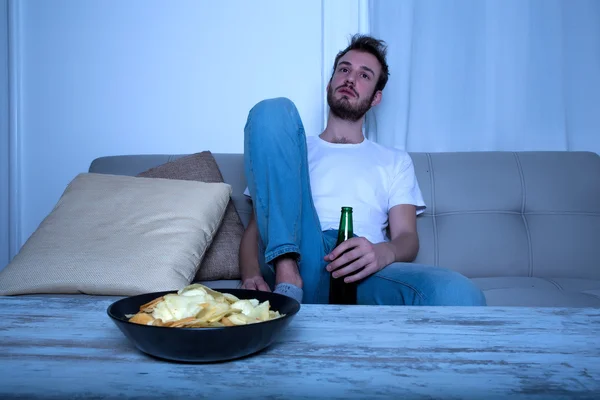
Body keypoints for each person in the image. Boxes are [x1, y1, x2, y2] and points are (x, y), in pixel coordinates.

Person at [238, 34, 486, 306]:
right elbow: (259, 225)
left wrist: (382, 253)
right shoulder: (290, 147)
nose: (350, 79)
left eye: (364, 75)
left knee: (460, 294)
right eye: (344, 69)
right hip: (300, 252)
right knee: (272, 111)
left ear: (376, 97)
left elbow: (407, 237)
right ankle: (288, 278)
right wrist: (251, 274)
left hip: (359, 266)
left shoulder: (395, 160)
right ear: (330, 83)